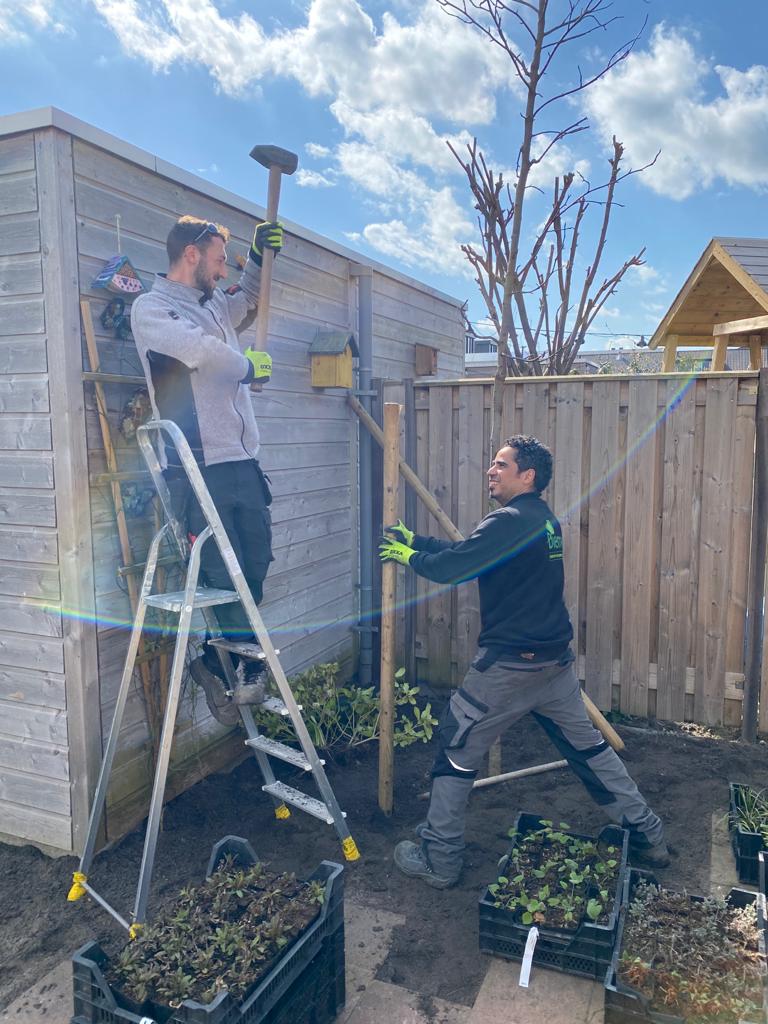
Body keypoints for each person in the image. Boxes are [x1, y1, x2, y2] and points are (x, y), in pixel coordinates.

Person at [379, 434, 670, 889]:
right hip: (553, 667)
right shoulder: (541, 520)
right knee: (589, 750)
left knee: (456, 751)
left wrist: (409, 556)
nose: (491, 471)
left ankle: (439, 858)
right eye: (492, 464)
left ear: (527, 475)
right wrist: (416, 540)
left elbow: (454, 569)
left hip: (508, 670)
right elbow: (467, 553)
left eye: (501, 464)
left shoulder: (508, 520)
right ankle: (649, 835)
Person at [131, 215, 283, 725]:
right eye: (218, 260)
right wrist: (247, 366)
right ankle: (242, 667)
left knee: (254, 565)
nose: (222, 271)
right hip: (197, 465)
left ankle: (215, 662)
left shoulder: (215, 303)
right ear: (191, 254)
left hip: (242, 459)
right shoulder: (151, 309)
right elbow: (200, 352)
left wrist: (259, 258)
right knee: (221, 572)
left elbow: (249, 299)